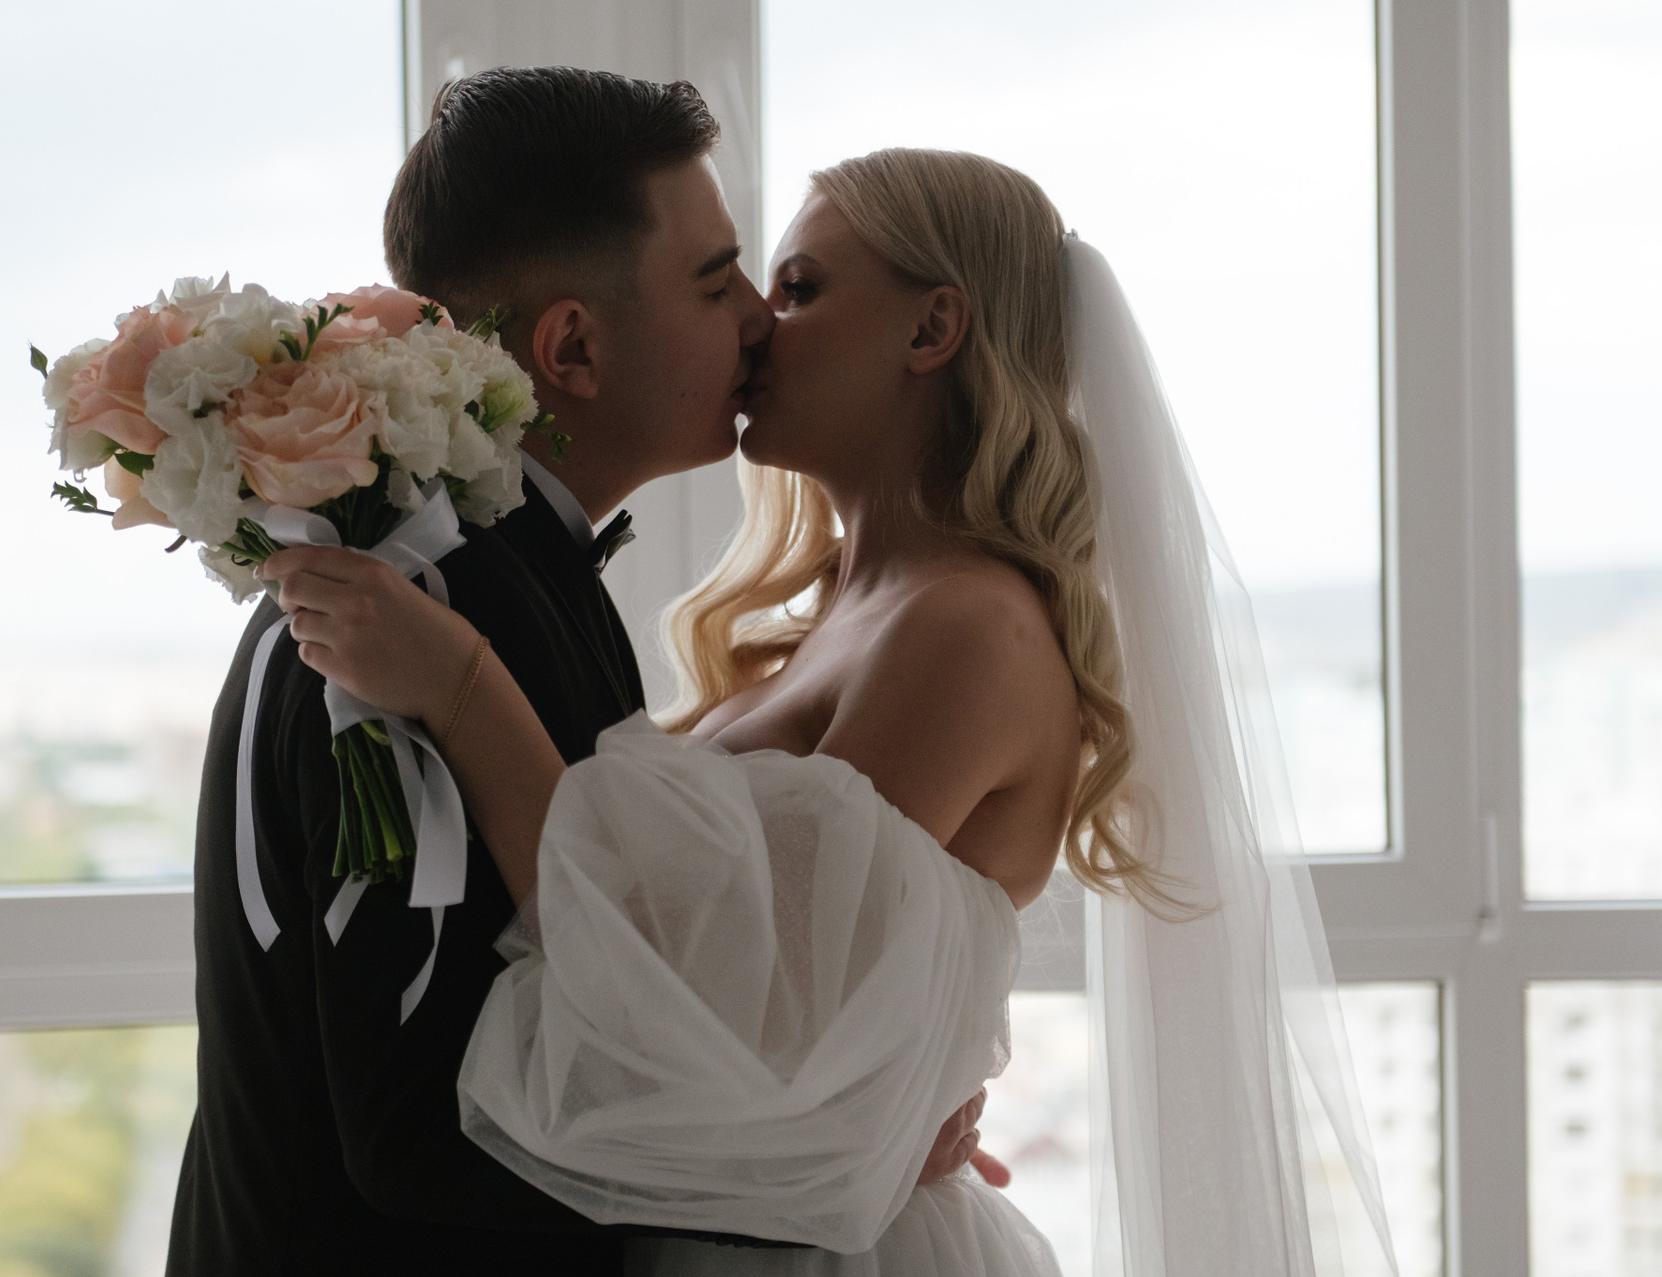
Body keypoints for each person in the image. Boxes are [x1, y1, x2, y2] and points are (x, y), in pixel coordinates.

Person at [263, 147, 1399, 1276]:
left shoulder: (969, 628)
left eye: (800, 288)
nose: (757, 322)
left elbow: (730, 997)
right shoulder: (851, 615)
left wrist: (462, 686)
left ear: (930, 328)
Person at [167, 71, 991, 1277]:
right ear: (573, 347)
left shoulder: (496, 576)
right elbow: (421, 1119)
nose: (757, 319)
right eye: (716, 280)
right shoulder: (421, 603)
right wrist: (826, 1160)